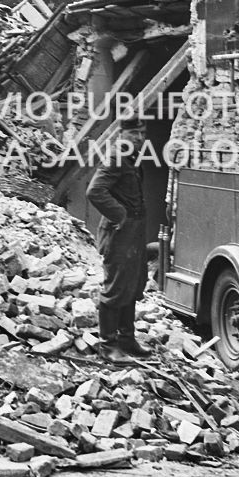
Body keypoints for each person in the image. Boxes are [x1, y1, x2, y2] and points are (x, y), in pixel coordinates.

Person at [86, 121, 150, 363]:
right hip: (120, 232)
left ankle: (126, 338)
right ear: (121, 133)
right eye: (133, 133)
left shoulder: (130, 156)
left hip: (134, 231)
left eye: (142, 133)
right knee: (115, 287)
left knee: (132, 284)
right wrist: (120, 215)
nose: (138, 137)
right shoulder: (116, 156)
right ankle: (108, 344)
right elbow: (95, 191)